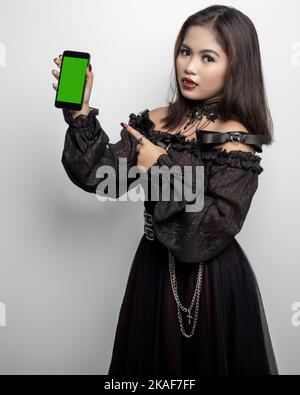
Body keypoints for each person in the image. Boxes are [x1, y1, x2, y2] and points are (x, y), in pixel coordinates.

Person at [52, 5, 279, 375]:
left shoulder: (237, 139)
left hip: (212, 281)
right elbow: (98, 175)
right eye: (186, 51)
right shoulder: (157, 121)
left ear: (236, 65)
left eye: (208, 57)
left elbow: (207, 231)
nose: (190, 67)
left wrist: (161, 164)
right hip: (154, 268)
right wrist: (80, 112)